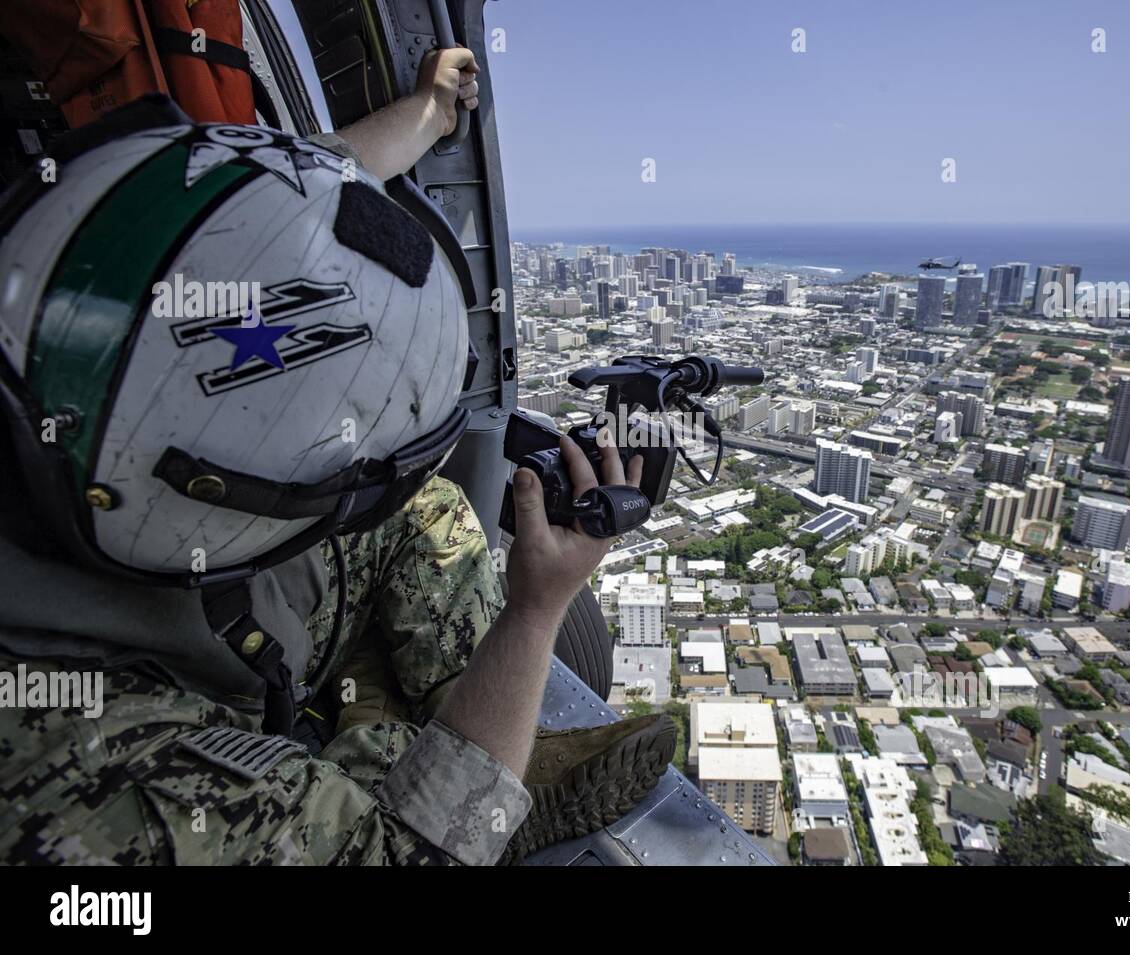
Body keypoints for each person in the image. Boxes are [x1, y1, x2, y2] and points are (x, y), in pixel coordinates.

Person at [0, 49, 674, 865]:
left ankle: (469, 719)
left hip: (182, 601)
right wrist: (535, 612)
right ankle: (426, 758)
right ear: (207, 493)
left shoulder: (67, 309)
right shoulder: (103, 788)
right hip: (183, 707)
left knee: (423, 508)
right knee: (385, 801)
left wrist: (426, 114)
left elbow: (258, 214)